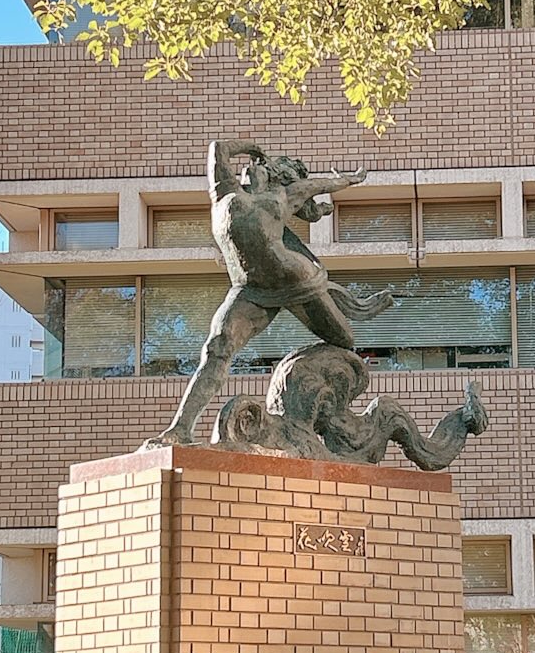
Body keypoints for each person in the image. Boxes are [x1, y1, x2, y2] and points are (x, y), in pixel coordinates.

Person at [146, 139, 392, 445]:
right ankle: (180, 428)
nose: (256, 167)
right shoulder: (225, 191)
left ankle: (317, 395)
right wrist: (254, 148)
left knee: (344, 340)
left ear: (278, 174)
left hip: (295, 281)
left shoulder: (284, 195)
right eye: (256, 164)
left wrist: (349, 179)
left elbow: (319, 184)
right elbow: (217, 149)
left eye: (265, 166)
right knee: (216, 348)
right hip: (250, 291)